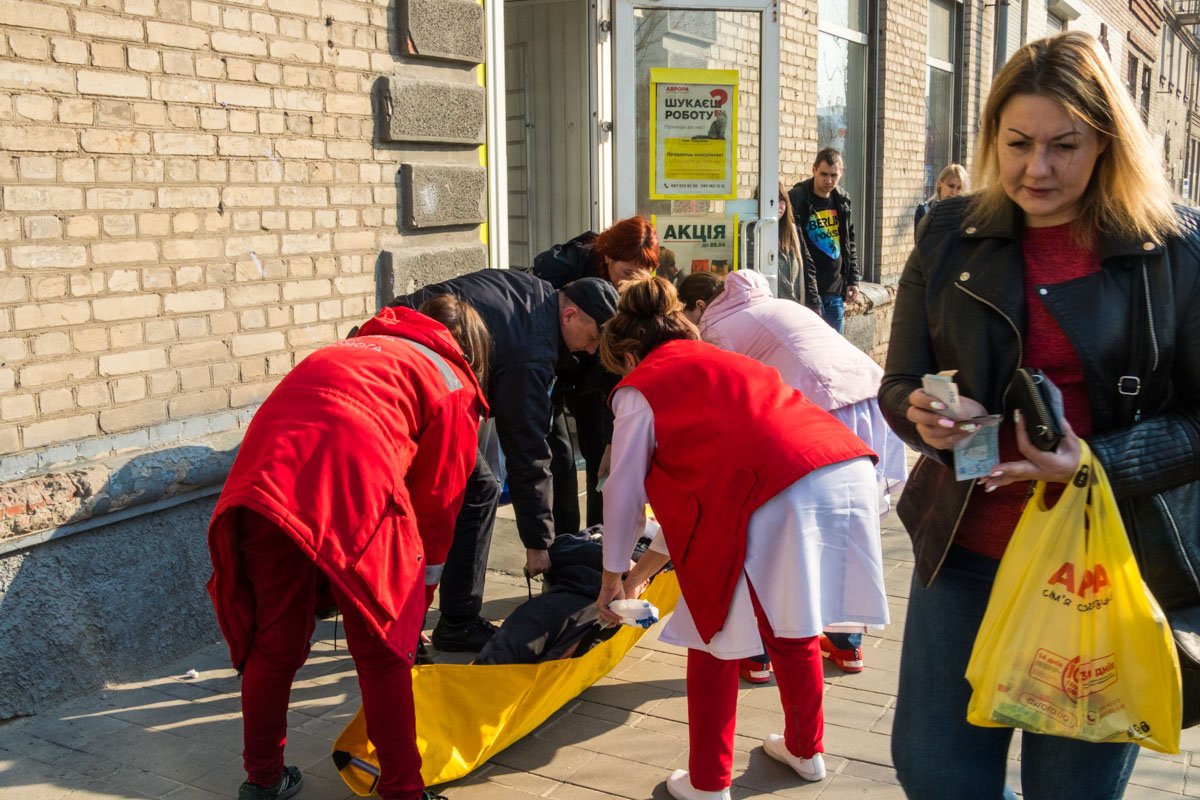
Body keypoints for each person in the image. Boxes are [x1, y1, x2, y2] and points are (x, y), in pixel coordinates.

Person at [879, 31, 1200, 800]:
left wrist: (1091, 462)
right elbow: (895, 383)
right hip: (962, 555)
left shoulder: (1173, 247)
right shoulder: (949, 229)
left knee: (1072, 790)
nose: (1037, 168)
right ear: (992, 137)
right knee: (936, 776)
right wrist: (919, 416)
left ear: (1108, 143)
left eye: (1065, 145)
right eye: (1018, 142)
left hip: (1103, 565)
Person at [595, 274, 889, 800]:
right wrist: (638, 576)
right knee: (792, 623)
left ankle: (708, 783)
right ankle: (805, 750)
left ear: (629, 350)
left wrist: (611, 577)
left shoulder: (643, 388)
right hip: (841, 466)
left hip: (773, 490)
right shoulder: (731, 361)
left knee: (711, 632)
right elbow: (704, 495)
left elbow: (623, 496)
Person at [207, 299, 490, 800]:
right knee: (381, 653)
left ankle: (263, 780)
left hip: (262, 488)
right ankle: (403, 790)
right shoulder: (449, 381)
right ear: (468, 349)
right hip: (352, 492)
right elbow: (438, 503)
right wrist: (420, 591)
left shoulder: (351, 347)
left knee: (273, 644)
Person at [679, 268, 906, 680]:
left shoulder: (718, 329)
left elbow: (729, 407)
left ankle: (759, 652)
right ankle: (846, 645)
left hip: (816, 415)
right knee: (849, 530)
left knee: (772, 535)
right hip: (870, 404)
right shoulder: (778, 304)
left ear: (699, 306)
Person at [390, 269, 618, 652]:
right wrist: (537, 542)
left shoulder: (536, 290)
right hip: (410, 382)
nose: (591, 351)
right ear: (571, 315)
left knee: (467, 488)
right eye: (593, 339)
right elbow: (526, 448)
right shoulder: (534, 349)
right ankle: (454, 621)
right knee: (473, 489)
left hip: (390, 349)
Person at [531, 216, 660, 534]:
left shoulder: (638, 291)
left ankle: (598, 540)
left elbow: (625, 361)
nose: (629, 283)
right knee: (557, 457)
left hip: (600, 373)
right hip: (553, 368)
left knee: (601, 455)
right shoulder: (563, 269)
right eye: (626, 273)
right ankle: (562, 545)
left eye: (641, 275)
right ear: (607, 256)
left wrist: (611, 439)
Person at [789, 148, 861, 333]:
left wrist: (853, 279)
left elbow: (848, 241)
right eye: (823, 174)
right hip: (806, 290)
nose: (829, 180)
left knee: (835, 348)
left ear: (841, 174)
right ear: (814, 170)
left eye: (834, 175)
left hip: (835, 291)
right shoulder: (797, 198)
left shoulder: (842, 200)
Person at [776, 182, 821, 311]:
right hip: (766, 314)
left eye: (781, 199)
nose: (777, 205)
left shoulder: (793, 231)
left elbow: (808, 268)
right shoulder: (751, 232)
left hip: (793, 310)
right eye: (771, 199)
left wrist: (814, 306)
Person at [913, 163, 968, 240]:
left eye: (959, 188)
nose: (954, 192)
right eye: (951, 186)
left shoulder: (965, 213)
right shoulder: (924, 211)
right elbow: (919, 246)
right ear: (940, 184)